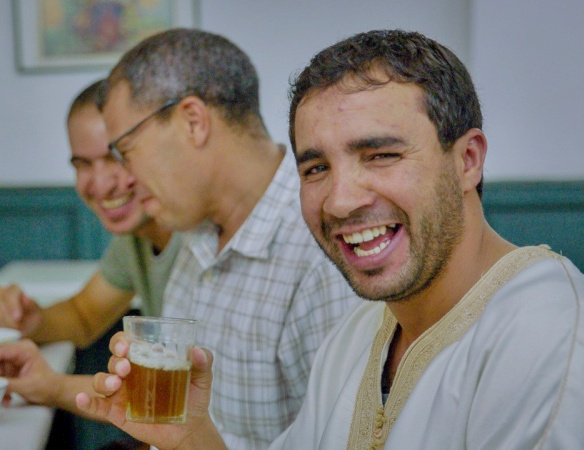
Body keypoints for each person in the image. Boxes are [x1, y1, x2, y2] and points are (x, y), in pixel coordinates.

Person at [76, 29, 584, 449]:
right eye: (316, 167)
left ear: (467, 160)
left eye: (381, 155)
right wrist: (191, 437)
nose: (340, 201)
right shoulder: (360, 333)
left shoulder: (544, 331)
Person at [90, 28, 357, 449]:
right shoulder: (195, 233)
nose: (123, 179)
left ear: (193, 122)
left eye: (127, 150)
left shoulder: (319, 247)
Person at [0, 79, 183, 450]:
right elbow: (85, 315)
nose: (101, 184)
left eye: (117, 157)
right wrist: (31, 320)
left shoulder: (197, 236)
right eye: (82, 164)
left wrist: (53, 387)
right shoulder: (135, 239)